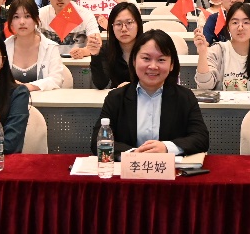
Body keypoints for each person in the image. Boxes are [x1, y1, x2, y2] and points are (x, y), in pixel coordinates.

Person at [89, 29, 208, 158]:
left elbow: (201, 138)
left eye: (161, 60)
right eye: (146, 58)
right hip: (130, 168)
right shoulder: (116, 98)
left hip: (170, 169)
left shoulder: (185, 97)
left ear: (172, 64)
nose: (153, 66)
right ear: (134, 61)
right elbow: (98, 142)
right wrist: (133, 154)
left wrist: (167, 148)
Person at [194, 1, 250, 91]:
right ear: (228, 27)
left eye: (246, 22)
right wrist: (202, 52)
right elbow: (205, 86)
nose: (240, 27)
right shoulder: (217, 51)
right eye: (235, 22)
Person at [4, 0, 71, 92]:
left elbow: (56, 79)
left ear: (36, 19)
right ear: (11, 22)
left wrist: (27, 87)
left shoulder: (50, 47)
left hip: (44, 100)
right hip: (11, 100)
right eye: (16, 17)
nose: (22, 22)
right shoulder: (3, 48)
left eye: (27, 16)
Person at [36, 0, 101, 57]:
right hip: (48, 62)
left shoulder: (85, 14)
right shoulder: (40, 15)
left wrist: (84, 51)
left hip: (76, 62)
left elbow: (96, 45)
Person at [92, 2, 141, 89]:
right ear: (112, 27)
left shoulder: (148, 47)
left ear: (138, 24)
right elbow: (101, 84)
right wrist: (95, 55)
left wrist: (131, 87)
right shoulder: (107, 49)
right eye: (118, 24)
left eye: (129, 23)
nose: (124, 29)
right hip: (117, 96)